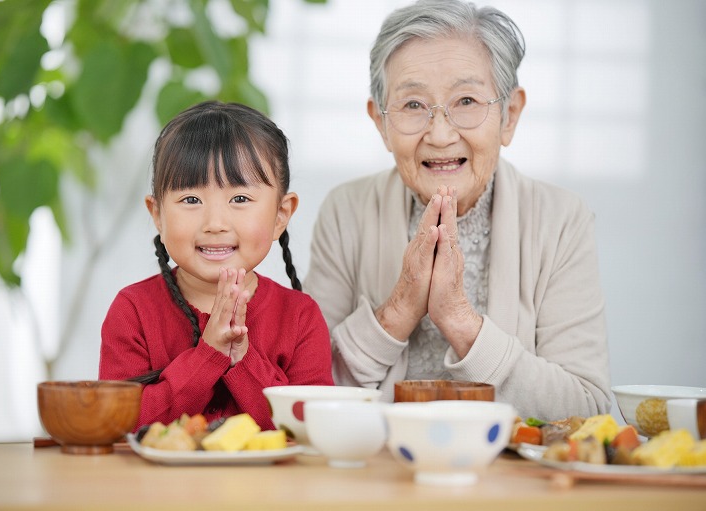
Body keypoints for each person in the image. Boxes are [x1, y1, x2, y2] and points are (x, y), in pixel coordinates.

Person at [304, 0, 611, 421]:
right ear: (381, 123)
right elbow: (303, 389)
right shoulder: (347, 211)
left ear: (509, 115)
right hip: (377, 470)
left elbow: (586, 410)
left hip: (510, 478)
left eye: (466, 100)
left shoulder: (560, 220)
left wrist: (459, 320)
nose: (442, 134)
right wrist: (400, 308)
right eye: (413, 105)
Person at [100, 101, 333, 431]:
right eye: (191, 200)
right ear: (157, 214)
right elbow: (118, 423)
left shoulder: (300, 316)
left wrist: (243, 357)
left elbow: (313, 426)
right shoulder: (133, 311)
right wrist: (208, 354)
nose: (215, 223)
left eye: (239, 199)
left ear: (281, 214)